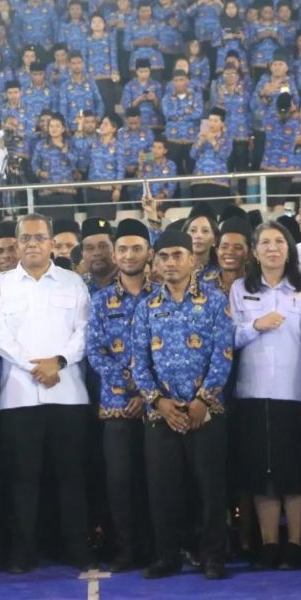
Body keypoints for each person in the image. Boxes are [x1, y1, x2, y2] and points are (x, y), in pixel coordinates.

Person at [0, 213, 94, 571]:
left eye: (39, 238)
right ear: (16, 245)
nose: (32, 244)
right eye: (26, 239)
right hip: (18, 396)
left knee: (72, 477)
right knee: (22, 480)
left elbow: (85, 331)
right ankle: (22, 552)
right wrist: (36, 366)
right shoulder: (1, 284)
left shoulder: (73, 282)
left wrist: (58, 361)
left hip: (68, 394)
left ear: (52, 244)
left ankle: (75, 548)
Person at [130, 229, 235, 580]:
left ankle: (212, 556)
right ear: (154, 262)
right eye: (163, 256)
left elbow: (224, 354)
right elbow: (138, 362)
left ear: (193, 259)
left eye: (177, 255)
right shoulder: (148, 306)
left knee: (210, 489)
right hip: (162, 414)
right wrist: (159, 402)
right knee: (163, 490)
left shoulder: (216, 299)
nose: (170, 262)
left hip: (206, 412)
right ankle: (167, 556)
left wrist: (202, 401)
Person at [230, 221, 301, 570]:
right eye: (265, 242)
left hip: (294, 392)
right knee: (261, 474)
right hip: (252, 393)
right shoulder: (238, 289)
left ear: (289, 249)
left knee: (294, 473)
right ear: (254, 250)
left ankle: (294, 543)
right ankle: (269, 543)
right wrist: (255, 327)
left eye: (280, 241)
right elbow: (227, 339)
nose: (273, 247)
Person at [88, 218, 154, 571]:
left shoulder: (162, 296)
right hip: (115, 406)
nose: (129, 255)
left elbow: (171, 352)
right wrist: (127, 384)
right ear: (114, 254)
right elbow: (95, 352)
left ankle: (159, 546)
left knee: (157, 481)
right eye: (123, 249)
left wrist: (147, 392)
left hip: (159, 406)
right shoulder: (101, 301)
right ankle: (126, 547)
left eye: (137, 248)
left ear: (149, 253)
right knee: (119, 482)